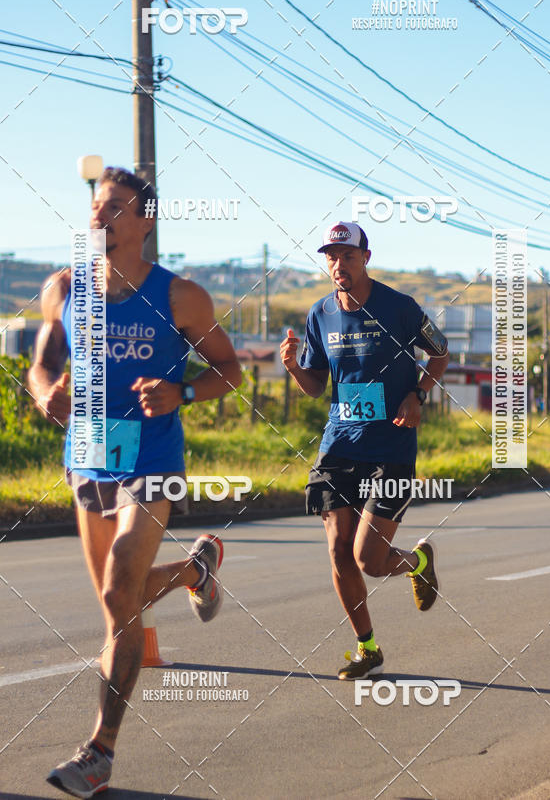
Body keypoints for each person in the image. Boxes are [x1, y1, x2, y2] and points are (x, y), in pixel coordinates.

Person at [28, 167, 242, 797]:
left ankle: (99, 751)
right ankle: (193, 572)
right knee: (116, 602)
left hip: (151, 464)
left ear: (145, 221)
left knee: (121, 593)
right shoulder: (64, 288)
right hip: (88, 460)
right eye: (97, 206)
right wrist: (45, 396)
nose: (101, 216)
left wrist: (183, 392)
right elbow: (43, 364)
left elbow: (229, 369)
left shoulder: (182, 298)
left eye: (116, 207)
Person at [280, 221, 449, 680]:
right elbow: (316, 387)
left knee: (369, 561)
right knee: (338, 553)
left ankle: (417, 562)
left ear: (366, 259)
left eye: (348, 256)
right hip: (339, 446)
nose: (339, 265)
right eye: (331, 257)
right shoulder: (320, 315)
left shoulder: (399, 308)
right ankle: (367, 647)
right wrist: (295, 368)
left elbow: (440, 351)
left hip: (391, 447)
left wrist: (418, 394)